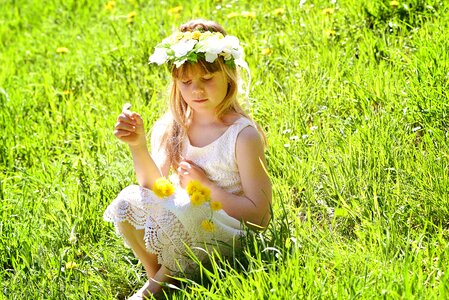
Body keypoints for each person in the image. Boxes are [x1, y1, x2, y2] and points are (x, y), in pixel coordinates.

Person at [104, 19, 272, 299]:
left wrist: (207, 189)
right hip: (184, 226)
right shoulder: (172, 127)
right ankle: (157, 275)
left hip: (228, 236)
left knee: (191, 207)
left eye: (207, 79)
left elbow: (260, 217)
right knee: (127, 199)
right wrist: (137, 146)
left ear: (228, 73)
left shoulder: (242, 135)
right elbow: (152, 187)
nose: (197, 90)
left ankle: (153, 290)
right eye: (186, 82)